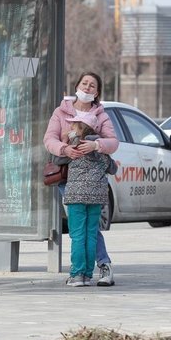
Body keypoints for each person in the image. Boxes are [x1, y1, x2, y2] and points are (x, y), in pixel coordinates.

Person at [43, 71, 119, 286]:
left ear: (97, 92)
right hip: (67, 176)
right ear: (77, 86)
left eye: (92, 85)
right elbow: (49, 139)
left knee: (84, 229)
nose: (87, 88)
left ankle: (95, 267)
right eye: (84, 83)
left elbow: (113, 142)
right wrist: (64, 149)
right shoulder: (61, 111)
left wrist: (96, 145)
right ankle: (87, 271)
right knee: (85, 228)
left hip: (89, 180)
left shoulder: (100, 115)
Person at [59, 113, 113, 286]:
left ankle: (77, 274)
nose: (70, 128)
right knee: (91, 235)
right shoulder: (100, 147)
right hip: (96, 197)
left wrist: (65, 142)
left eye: (74, 125)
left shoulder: (73, 145)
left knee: (77, 235)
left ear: (81, 128)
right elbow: (112, 168)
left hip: (76, 196)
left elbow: (56, 159)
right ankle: (87, 275)